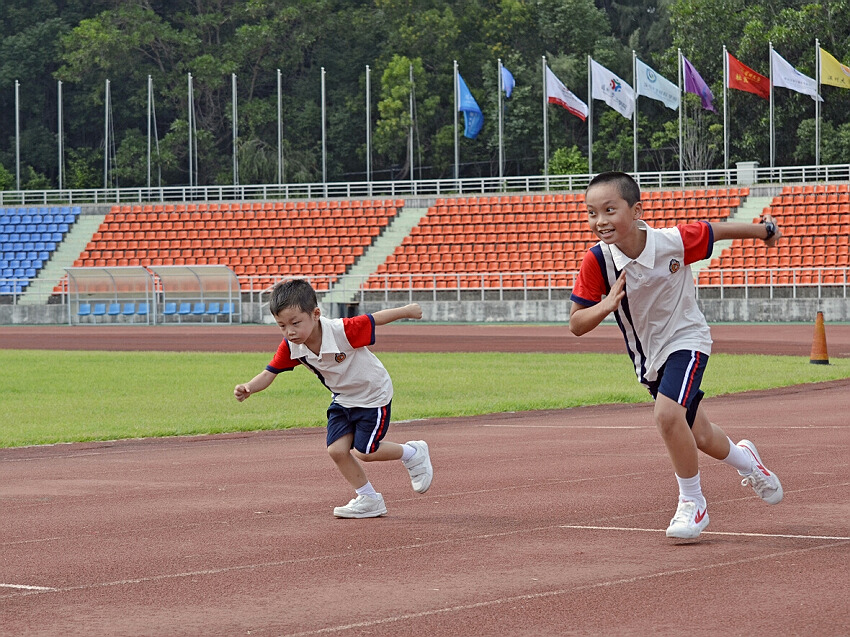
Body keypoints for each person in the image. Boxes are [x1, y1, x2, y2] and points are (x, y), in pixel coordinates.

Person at [569, 171, 783, 540]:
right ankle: (749, 462)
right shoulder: (598, 261)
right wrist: (605, 305)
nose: (600, 221)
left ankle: (693, 503)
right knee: (698, 435)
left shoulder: (673, 241)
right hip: (649, 358)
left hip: (688, 339)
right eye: (591, 213)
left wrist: (764, 232)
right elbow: (576, 323)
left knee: (668, 416)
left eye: (609, 210)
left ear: (636, 210)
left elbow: (717, 231)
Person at [234, 279, 432, 519]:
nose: (290, 332)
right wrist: (249, 387)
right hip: (343, 398)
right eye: (282, 326)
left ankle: (413, 453)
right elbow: (269, 373)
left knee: (365, 451)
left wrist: (407, 311)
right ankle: (369, 498)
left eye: (295, 323)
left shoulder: (342, 330)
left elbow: (374, 318)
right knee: (337, 450)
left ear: (316, 314)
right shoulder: (291, 347)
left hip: (372, 394)